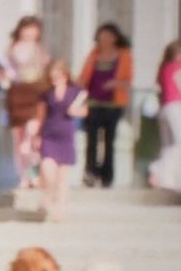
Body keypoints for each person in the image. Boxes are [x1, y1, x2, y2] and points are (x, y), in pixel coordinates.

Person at [77, 23, 133, 188]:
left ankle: (106, 176)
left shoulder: (124, 56)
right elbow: (83, 77)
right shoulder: (93, 55)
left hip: (113, 105)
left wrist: (115, 83)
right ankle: (91, 173)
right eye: (101, 38)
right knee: (92, 140)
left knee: (109, 141)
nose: (104, 41)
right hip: (93, 104)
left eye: (108, 37)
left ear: (115, 38)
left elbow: (128, 80)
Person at [1, 17, 51, 188]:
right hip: (17, 95)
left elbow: (45, 72)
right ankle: (23, 177)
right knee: (19, 140)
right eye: (27, 29)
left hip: (35, 95)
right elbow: (8, 72)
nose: (30, 33)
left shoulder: (41, 51)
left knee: (31, 140)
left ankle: (34, 175)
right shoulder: (12, 50)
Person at [36, 59, 87, 222]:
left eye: (57, 77)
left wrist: (76, 111)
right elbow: (41, 115)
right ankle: (48, 195)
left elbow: (85, 111)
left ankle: (60, 209)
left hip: (66, 137)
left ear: (65, 75)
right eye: (52, 77)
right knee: (47, 171)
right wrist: (37, 136)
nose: (54, 80)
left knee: (63, 178)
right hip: (49, 135)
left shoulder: (76, 92)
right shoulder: (46, 94)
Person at [150, 41, 181, 190]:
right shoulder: (179, 68)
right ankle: (158, 167)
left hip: (163, 108)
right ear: (179, 54)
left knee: (168, 145)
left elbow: (158, 89)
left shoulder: (163, 69)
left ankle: (166, 179)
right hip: (176, 106)